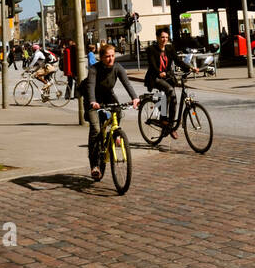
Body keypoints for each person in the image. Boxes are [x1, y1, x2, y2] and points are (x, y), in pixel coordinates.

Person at [79, 43, 138, 181]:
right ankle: (94, 165)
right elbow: (91, 85)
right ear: (101, 57)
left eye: (112, 56)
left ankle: (116, 133)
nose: (111, 59)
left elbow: (127, 83)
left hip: (106, 94)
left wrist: (135, 98)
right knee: (96, 129)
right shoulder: (94, 69)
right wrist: (93, 102)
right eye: (107, 57)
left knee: (118, 109)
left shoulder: (117, 68)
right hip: (91, 98)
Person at [143, 28, 190, 136]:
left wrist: (190, 68)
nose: (164, 39)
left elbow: (178, 61)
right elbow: (152, 64)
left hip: (167, 77)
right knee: (170, 91)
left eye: (166, 37)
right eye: (162, 37)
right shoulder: (151, 49)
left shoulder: (169, 48)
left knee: (173, 99)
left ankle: (169, 126)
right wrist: (159, 72)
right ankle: (164, 119)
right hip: (155, 77)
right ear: (158, 38)